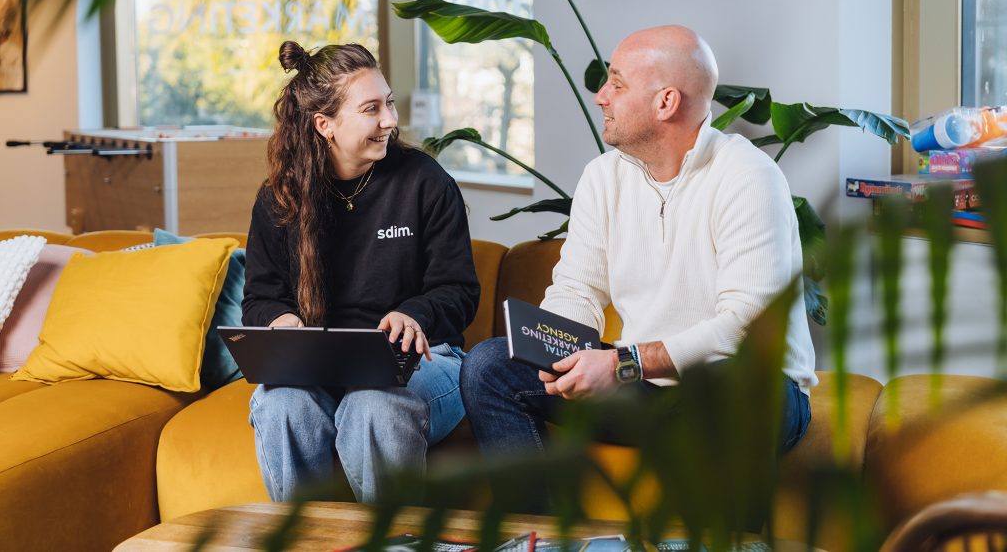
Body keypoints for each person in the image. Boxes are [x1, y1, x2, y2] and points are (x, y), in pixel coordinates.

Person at [461, 25, 816, 466]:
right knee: (489, 366)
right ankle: (540, 532)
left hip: (752, 391)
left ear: (665, 102)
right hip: (645, 388)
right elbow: (577, 291)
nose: (601, 96)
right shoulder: (603, 177)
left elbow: (745, 327)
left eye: (617, 83)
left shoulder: (746, 176)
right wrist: (554, 353)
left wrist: (621, 365)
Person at [243, 41, 480, 504]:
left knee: (374, 405)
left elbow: (459, 290)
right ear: (324, 125)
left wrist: (416, 314)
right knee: (281, 405)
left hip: (424, 359)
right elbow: (259, 298)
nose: (390, 120)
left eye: (388, 103)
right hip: (319, 365)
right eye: (372, 109)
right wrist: (283, 324)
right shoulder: (279, 199)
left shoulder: (425, 182)